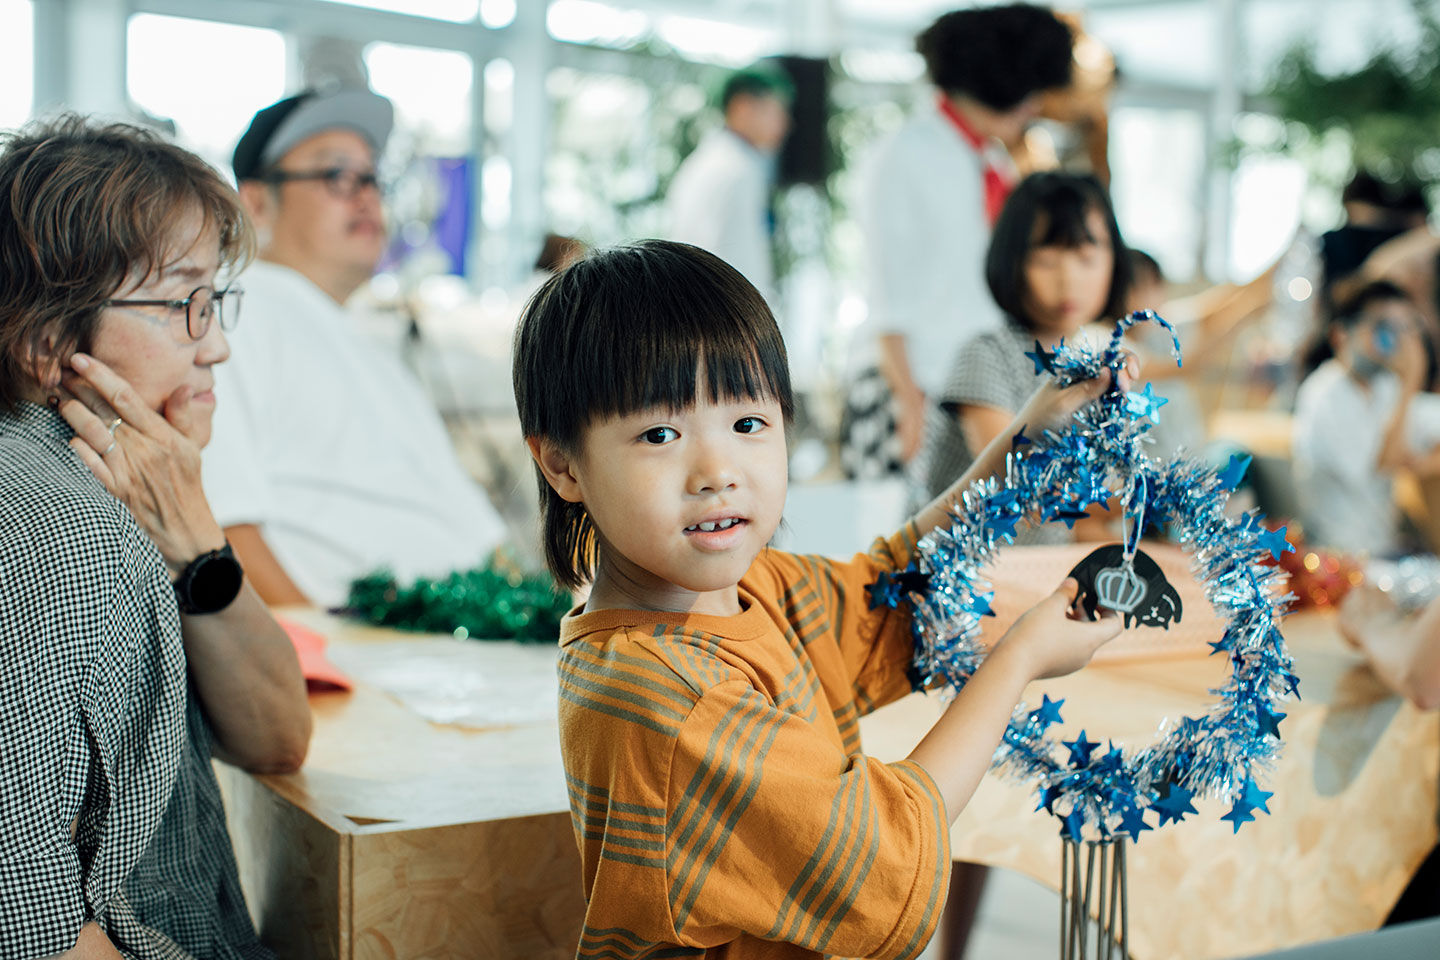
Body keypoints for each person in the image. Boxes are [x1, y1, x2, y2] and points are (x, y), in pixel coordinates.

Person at [511, 239, 1127, 958]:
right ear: (561, 465)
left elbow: (891, 585)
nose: (718, 472)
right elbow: (879, 858)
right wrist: (1019, 658)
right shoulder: (665, 697)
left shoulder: (755, 589)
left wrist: (1027, 433)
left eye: (747, 424)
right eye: (659, 433)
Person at [0, 117, 307, 959]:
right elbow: (31, 927)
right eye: (183, 304)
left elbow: (278, 736)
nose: (219, 344)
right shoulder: (63, 532)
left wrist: (196, 544)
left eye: (216, 301)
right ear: (44, 342)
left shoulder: (124, 495)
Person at [206, 87, 507, 608]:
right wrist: (326, 665)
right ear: (255, 201)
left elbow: (479, 533)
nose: (366, 195)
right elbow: (221, 526)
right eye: (336, 176)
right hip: (361, 646)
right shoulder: (232, 313)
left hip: (467, 632)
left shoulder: (368, 344)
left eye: (372, 178)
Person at [860, 4, 1075, 465]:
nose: (1035, 108)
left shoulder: (990, 159)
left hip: (981, 385)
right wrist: (908, 400)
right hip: (917, 390)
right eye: (1031, 93)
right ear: (1004, 85)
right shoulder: (906, 155)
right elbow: (886, 292)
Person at [917, 172, 1131, 517]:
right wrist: (1146, 497)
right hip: (953, 566)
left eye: (1086, 257)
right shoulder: (985, 355)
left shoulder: (1092, 358)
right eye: (1046, 260)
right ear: (1011, 262)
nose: (1068, 279)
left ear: (1114, 263)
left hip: (1042, 567)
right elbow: (1018, 487)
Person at [1293, 280, 1440, 557]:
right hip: (1340, 560)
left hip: (1385, 551)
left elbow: (1431, 420)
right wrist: (1412, 379)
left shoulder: (1384, 388)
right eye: (1384, 327)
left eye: (1406, 327)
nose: (1397, 340)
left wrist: (1424, 462)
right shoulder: (1323, 394)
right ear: (1341, 336)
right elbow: (1383, 463)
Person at [665, 66, 792, 304]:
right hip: (725, 315)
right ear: (743, 107)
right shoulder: (733, 171)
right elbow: (736, 263)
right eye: (777, 111)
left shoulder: (713, 162)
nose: (785, 124)